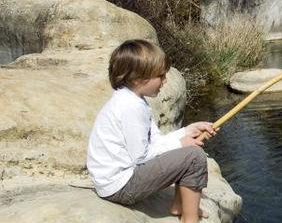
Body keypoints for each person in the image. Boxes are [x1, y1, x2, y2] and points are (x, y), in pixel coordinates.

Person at [87, 39, 217, 223]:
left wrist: (186, 131)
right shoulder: (130, 107)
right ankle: (190, 218)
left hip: (115, 182)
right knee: (194, 157)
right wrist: (181, 144)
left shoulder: (133, 100)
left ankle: (180, 206)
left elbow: (155, 141)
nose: (165, 81)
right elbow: (141, 157)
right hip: (121, 187)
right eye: (160, 76)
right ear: (137, 79)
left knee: (189, 153)